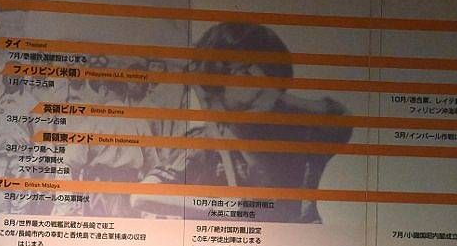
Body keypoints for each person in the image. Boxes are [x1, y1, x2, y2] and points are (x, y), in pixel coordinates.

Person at [141, 21, 352, 222]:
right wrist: (231, 209)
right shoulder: (204, 142)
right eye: (241, 71)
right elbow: (144, 195)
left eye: (263, 68)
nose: (258, 77)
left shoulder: (299, 133)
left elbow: (340, 118)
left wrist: (273, 95)